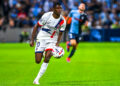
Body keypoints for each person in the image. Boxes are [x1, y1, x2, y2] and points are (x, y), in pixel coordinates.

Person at [30, 2, 66, 85]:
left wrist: (57, 43)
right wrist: (32, 40)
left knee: (48, 57)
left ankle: (36, 79)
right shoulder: (46, 16)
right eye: (57, 8)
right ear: (53, 9)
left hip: (52, 40)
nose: (59, 10)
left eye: (60, 8)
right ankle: (42, 53)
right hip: (42, 38)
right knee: (38, 61)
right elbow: (36, 26)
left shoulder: (62, 20)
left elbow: (61, 33)